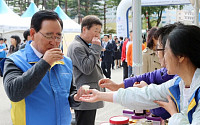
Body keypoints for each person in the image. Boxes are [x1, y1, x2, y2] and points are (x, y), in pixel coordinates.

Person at [80, 24, 200, 124]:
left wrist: (174, 115)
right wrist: (100, 95)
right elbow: (145, 94)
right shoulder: (179, 82)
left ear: (181, 56)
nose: (161, 55)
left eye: (165, 50)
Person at [2, 10, 85, 125]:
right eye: (49, 36)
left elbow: (70, 92)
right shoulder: (15, 61)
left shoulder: (65, 61)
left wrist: (76, 98)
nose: (54, 42)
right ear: (32, 33)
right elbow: (14, 93)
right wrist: (45, 62)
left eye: (58, 36)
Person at [67, 15, 105, 125]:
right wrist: (96, 48)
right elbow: (87, 68)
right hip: (84, 95)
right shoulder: (77, 47)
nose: (98, 34)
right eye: (95, 30)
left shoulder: (85, 45)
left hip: (89, 94)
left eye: (99, 31)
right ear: (84, 29)